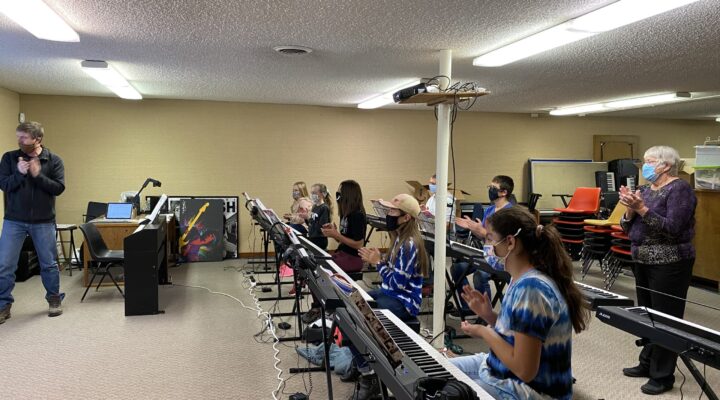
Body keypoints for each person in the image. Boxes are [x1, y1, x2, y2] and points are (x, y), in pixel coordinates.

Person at [449, 207, 589, 400]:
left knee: (447, 393)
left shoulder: (532, 289)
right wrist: (489, 316)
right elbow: (519, 334)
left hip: (528, 390)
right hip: (501, 372)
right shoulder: (520, 279)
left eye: (490, 239)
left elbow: (524, 370)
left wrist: (483, 332)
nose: (487, 247)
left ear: (510, 242)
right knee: (438, 371)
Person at [619, 145, 697, 396]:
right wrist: (630, 208)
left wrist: (642, 209)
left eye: (650, 161)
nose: (645, 166)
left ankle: (663, 375)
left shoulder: (680, 189)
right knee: (647, 315)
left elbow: (673, 228)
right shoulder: (643, 190)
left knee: (665, 318)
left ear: (666, 165)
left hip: (670, 262)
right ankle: (647, 363)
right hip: (642, 260)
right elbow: (626, 228)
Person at [348, 193, 429, 400]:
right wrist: (381, 260)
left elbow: (397, 284)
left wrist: (378, 263)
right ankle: (362, 365)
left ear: (406, 217)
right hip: (389, 293)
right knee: (348, 304)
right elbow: (392, 275)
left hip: (403, 302)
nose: (388, 214)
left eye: (393, 211)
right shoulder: (398, 238)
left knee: (360, 318)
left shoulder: (410, 244)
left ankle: (369, 375)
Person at [0, 122, 66, 324]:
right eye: (18, 136)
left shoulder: (53, 160)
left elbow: (58, 188)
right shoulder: (9, 158)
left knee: (49, 264)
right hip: (14, 220)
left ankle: (54, 299)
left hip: (43, 221)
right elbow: (4, 185)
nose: (19, 141)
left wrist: (38, 176)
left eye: (24, 137)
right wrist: (19, 173)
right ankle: (3, 305)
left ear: (37, 139)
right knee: (5, 265)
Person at [451, 175, 515, 319]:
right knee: (456, 269)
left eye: (493, 187)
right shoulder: (490, 210)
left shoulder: (510, 213)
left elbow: (504, 241)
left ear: (504, 192)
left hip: (501, 259)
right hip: (486, 254)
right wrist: (473, 228)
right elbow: (484, 237)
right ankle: (468, 308)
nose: (490, 190)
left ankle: (486, 315)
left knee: (480, 274)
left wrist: (482, 231)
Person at [321, 180, 366, 273]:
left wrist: (337, 235)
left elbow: (359, 244)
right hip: (343, 253)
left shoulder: (357, 215)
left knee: (321, 267)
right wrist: (334, 233)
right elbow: (343, 240)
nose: (337, 195)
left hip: (353, 258)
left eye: (340, 192)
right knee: (316, 261)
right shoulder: (345, 214)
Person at [307, 183, 333, 250]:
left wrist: (309, 218)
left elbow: (321, 228)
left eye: (314, 193)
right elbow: (310, 224)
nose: (312, 195)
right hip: (312, 237)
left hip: (319, 239)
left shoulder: (324, 208)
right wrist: (306, 218)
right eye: (311, 193)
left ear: (322, 194)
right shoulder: (314, 206)